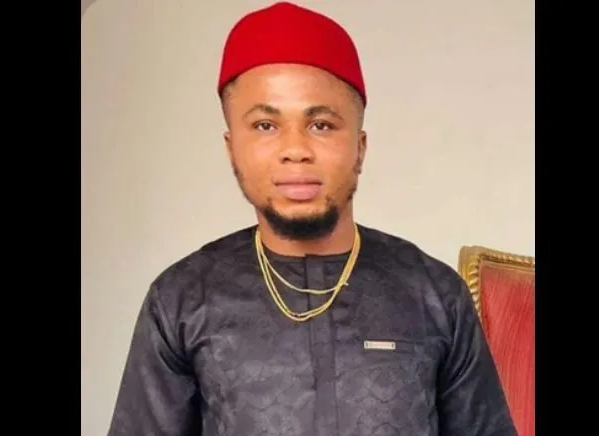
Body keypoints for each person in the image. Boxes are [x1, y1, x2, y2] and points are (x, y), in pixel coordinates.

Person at [106, 2, 517, 435]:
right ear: (232, 148)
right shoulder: (181, 300)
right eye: (265, 126)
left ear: (359, 147)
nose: (295, 150)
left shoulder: (434, 295)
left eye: (321, 125)